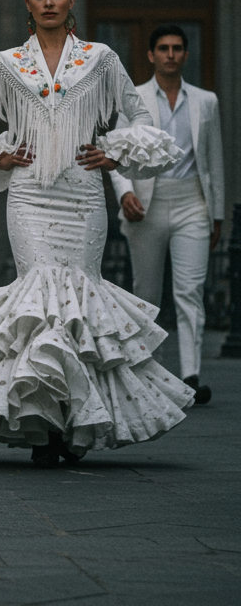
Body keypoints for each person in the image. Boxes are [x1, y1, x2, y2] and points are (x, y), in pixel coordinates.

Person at [0, 0, 195, 467]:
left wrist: (113, 154)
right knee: (41, 298)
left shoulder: (101, 59)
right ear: (27, 4)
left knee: (79, 303)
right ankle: (45, 425)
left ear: (72, 0)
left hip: (83, 196)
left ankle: (76, 420)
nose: (49, 2)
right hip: (28, 196)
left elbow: (139, 117)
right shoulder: (8, 63)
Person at [111, 24, 224, 406]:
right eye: (163, 48)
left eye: (177, 48)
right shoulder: (135, 98)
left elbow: (214, 160)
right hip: (148, 202)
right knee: (146, 293)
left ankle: (191, 376)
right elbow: (115, 153)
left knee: (189, 291)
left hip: (193, 199)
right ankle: (149, 370)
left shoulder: (205, 101)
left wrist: (217, 213)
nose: (170, 54)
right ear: (151, 55)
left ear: (185, 55)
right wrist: (125, 192)